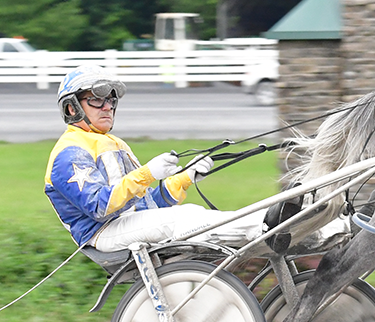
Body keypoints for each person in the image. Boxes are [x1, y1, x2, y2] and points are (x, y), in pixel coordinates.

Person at [44, 64, 346, 254]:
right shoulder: (69, 152)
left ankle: (315, 227)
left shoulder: (113, 143)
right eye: (96, 99)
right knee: (183, 219)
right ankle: (277, 230)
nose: (107, 106)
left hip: (125, 224)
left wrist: (183, 179)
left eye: (111, 99)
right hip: (102, 234)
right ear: (72, 108)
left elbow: (146, 206)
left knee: (189, 212)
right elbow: (100, 207)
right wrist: (148, 173)